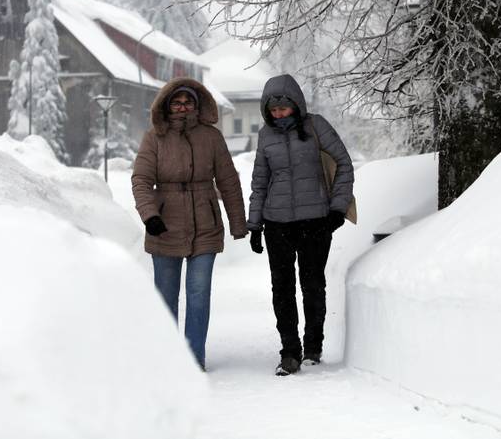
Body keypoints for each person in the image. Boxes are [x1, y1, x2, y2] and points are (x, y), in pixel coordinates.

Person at [132, 77, 248, 371]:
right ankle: (168, 356)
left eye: (188, 102)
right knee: (166, 296)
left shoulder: (211, 137)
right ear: (167, 105)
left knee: (198, 294)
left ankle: (193, 357)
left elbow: (228, 181)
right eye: (177, 102)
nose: (182, 107)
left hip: (205, 223)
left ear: (198, 106)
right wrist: (150, 215)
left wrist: (238, 222)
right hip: (165, 224)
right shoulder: (154, 138)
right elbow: (142, 180)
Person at [247, 74, 354, 376]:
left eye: (284, 109)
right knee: (281, 289)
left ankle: (313, 347)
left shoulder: (317, 126)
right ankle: (289, 352)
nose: (279, 115)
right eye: (273, 110)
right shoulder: (265, 136)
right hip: (276, 223)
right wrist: (255, 225)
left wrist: (337, 209)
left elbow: (344, 164)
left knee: (312, 285)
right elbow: (260, 181)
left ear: (296, 104)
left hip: (316, 221)